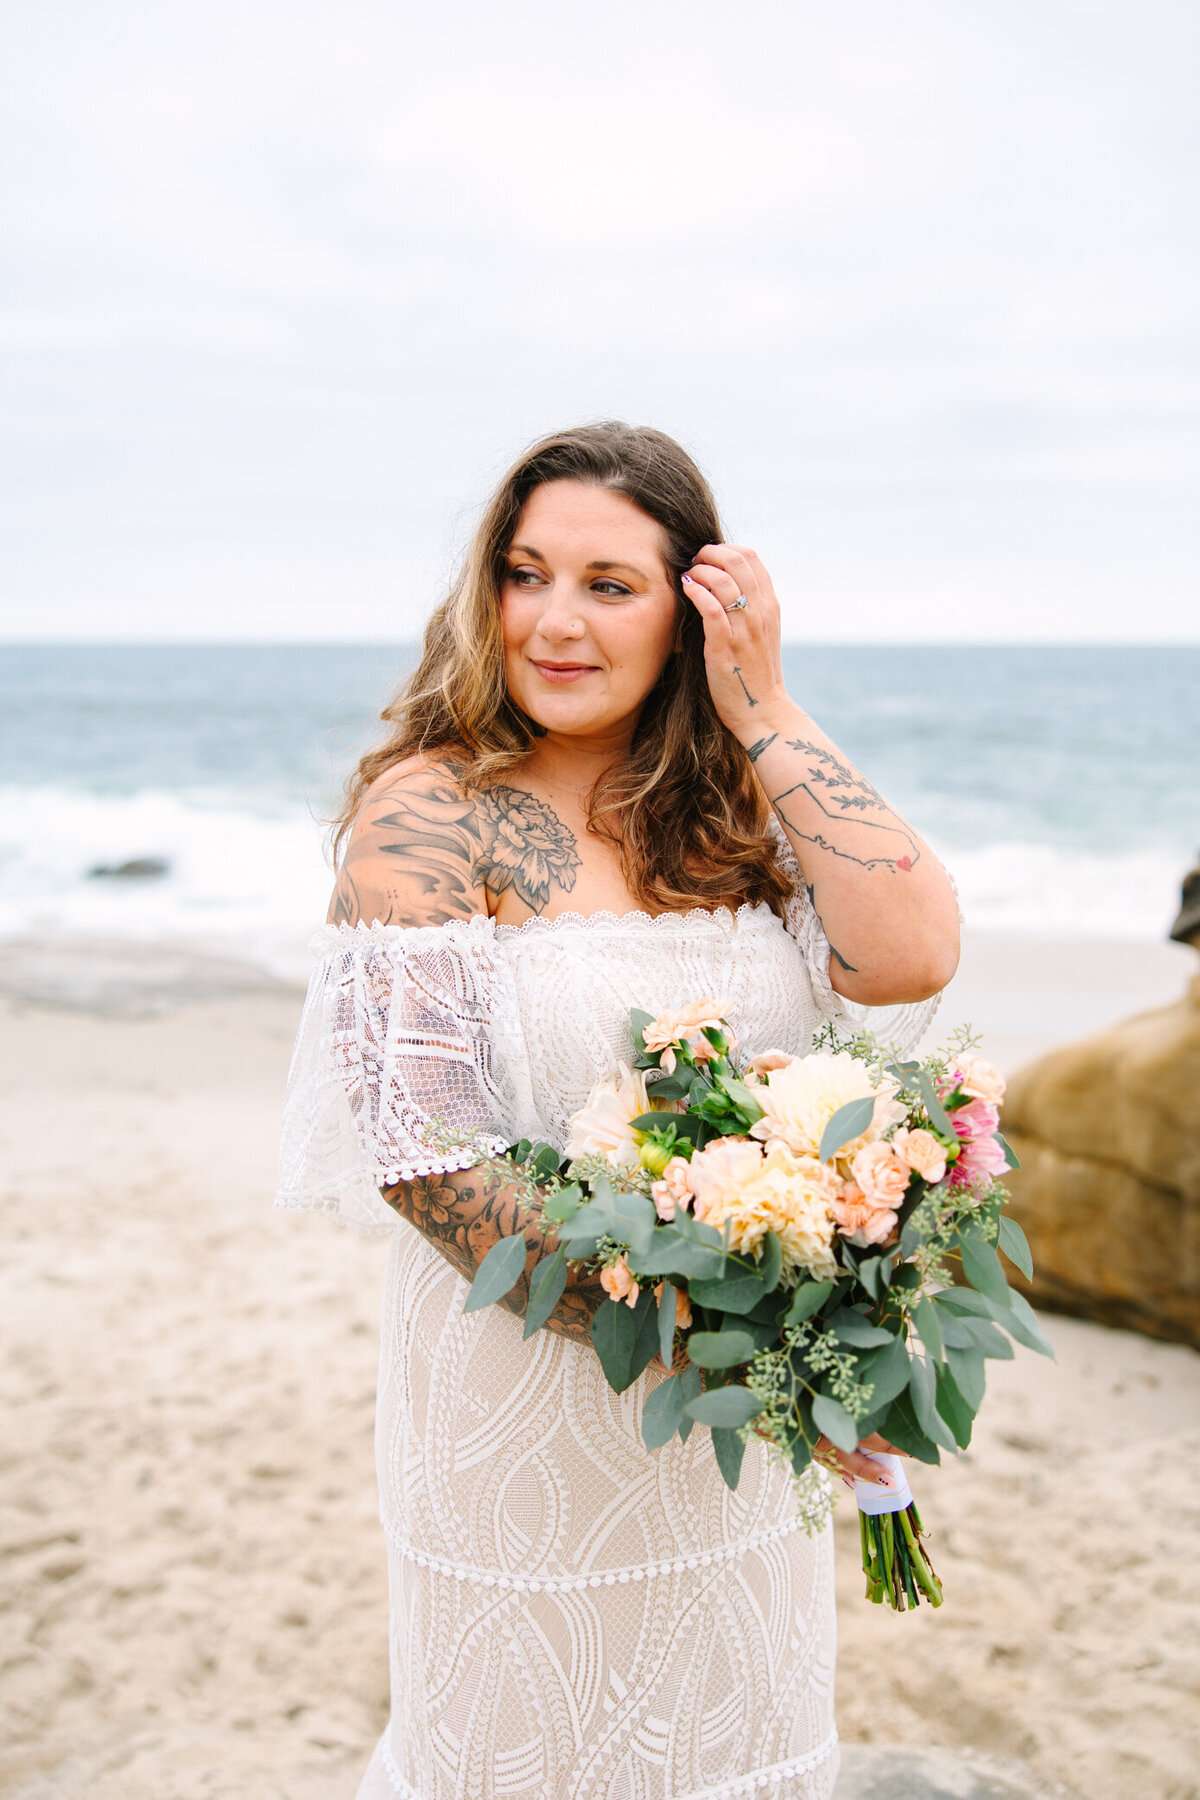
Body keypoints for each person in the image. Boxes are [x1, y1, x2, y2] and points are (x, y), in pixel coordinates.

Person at [277, 422, 960, 1800]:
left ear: (690, 607)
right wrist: (745, 1357)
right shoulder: (428, 813)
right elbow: (428, 1161)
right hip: (530, 1406)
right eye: (526, 575)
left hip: (740, 1455)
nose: (553, 621)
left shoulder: (735, 815)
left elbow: (912, 956)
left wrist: (763, 706)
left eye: (608, 584)